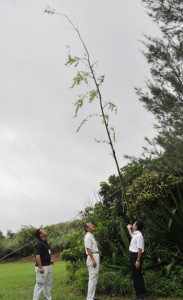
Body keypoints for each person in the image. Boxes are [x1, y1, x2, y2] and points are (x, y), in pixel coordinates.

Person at [127, 220, 145, 300]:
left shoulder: (139, 235)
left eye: (134, 223)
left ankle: (140, 295)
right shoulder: (136, 234)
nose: (133, 224)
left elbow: (140, 248)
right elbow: (132, 236)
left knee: (137, 275)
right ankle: (138, 294)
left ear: (136, 226)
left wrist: (138, 260)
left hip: (136, 256)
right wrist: (129, 229)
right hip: (133, 255)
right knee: (135, 275)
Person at [32, 228, 53, 300]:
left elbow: (47, 252)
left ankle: (47, 298)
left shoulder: (45, 241)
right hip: (42, 267)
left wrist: (50, 260)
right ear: (40, 235)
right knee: (40, 284)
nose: (45, 231)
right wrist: (40, 267)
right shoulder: (39, 243)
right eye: (43, 231)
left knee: (48, 284)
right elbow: (37, 256)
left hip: (48, 265)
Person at [84, 223, 100, 300]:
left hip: (95, 255)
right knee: (92, 277)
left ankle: (92, 297)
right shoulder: (88, 236)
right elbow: (88, 249)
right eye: (91, 225)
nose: (93, 225)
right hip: (92, 257)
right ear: (87, 228)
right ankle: (89, 298)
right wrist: (93, 260)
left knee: (95, 277)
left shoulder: (91, 236)